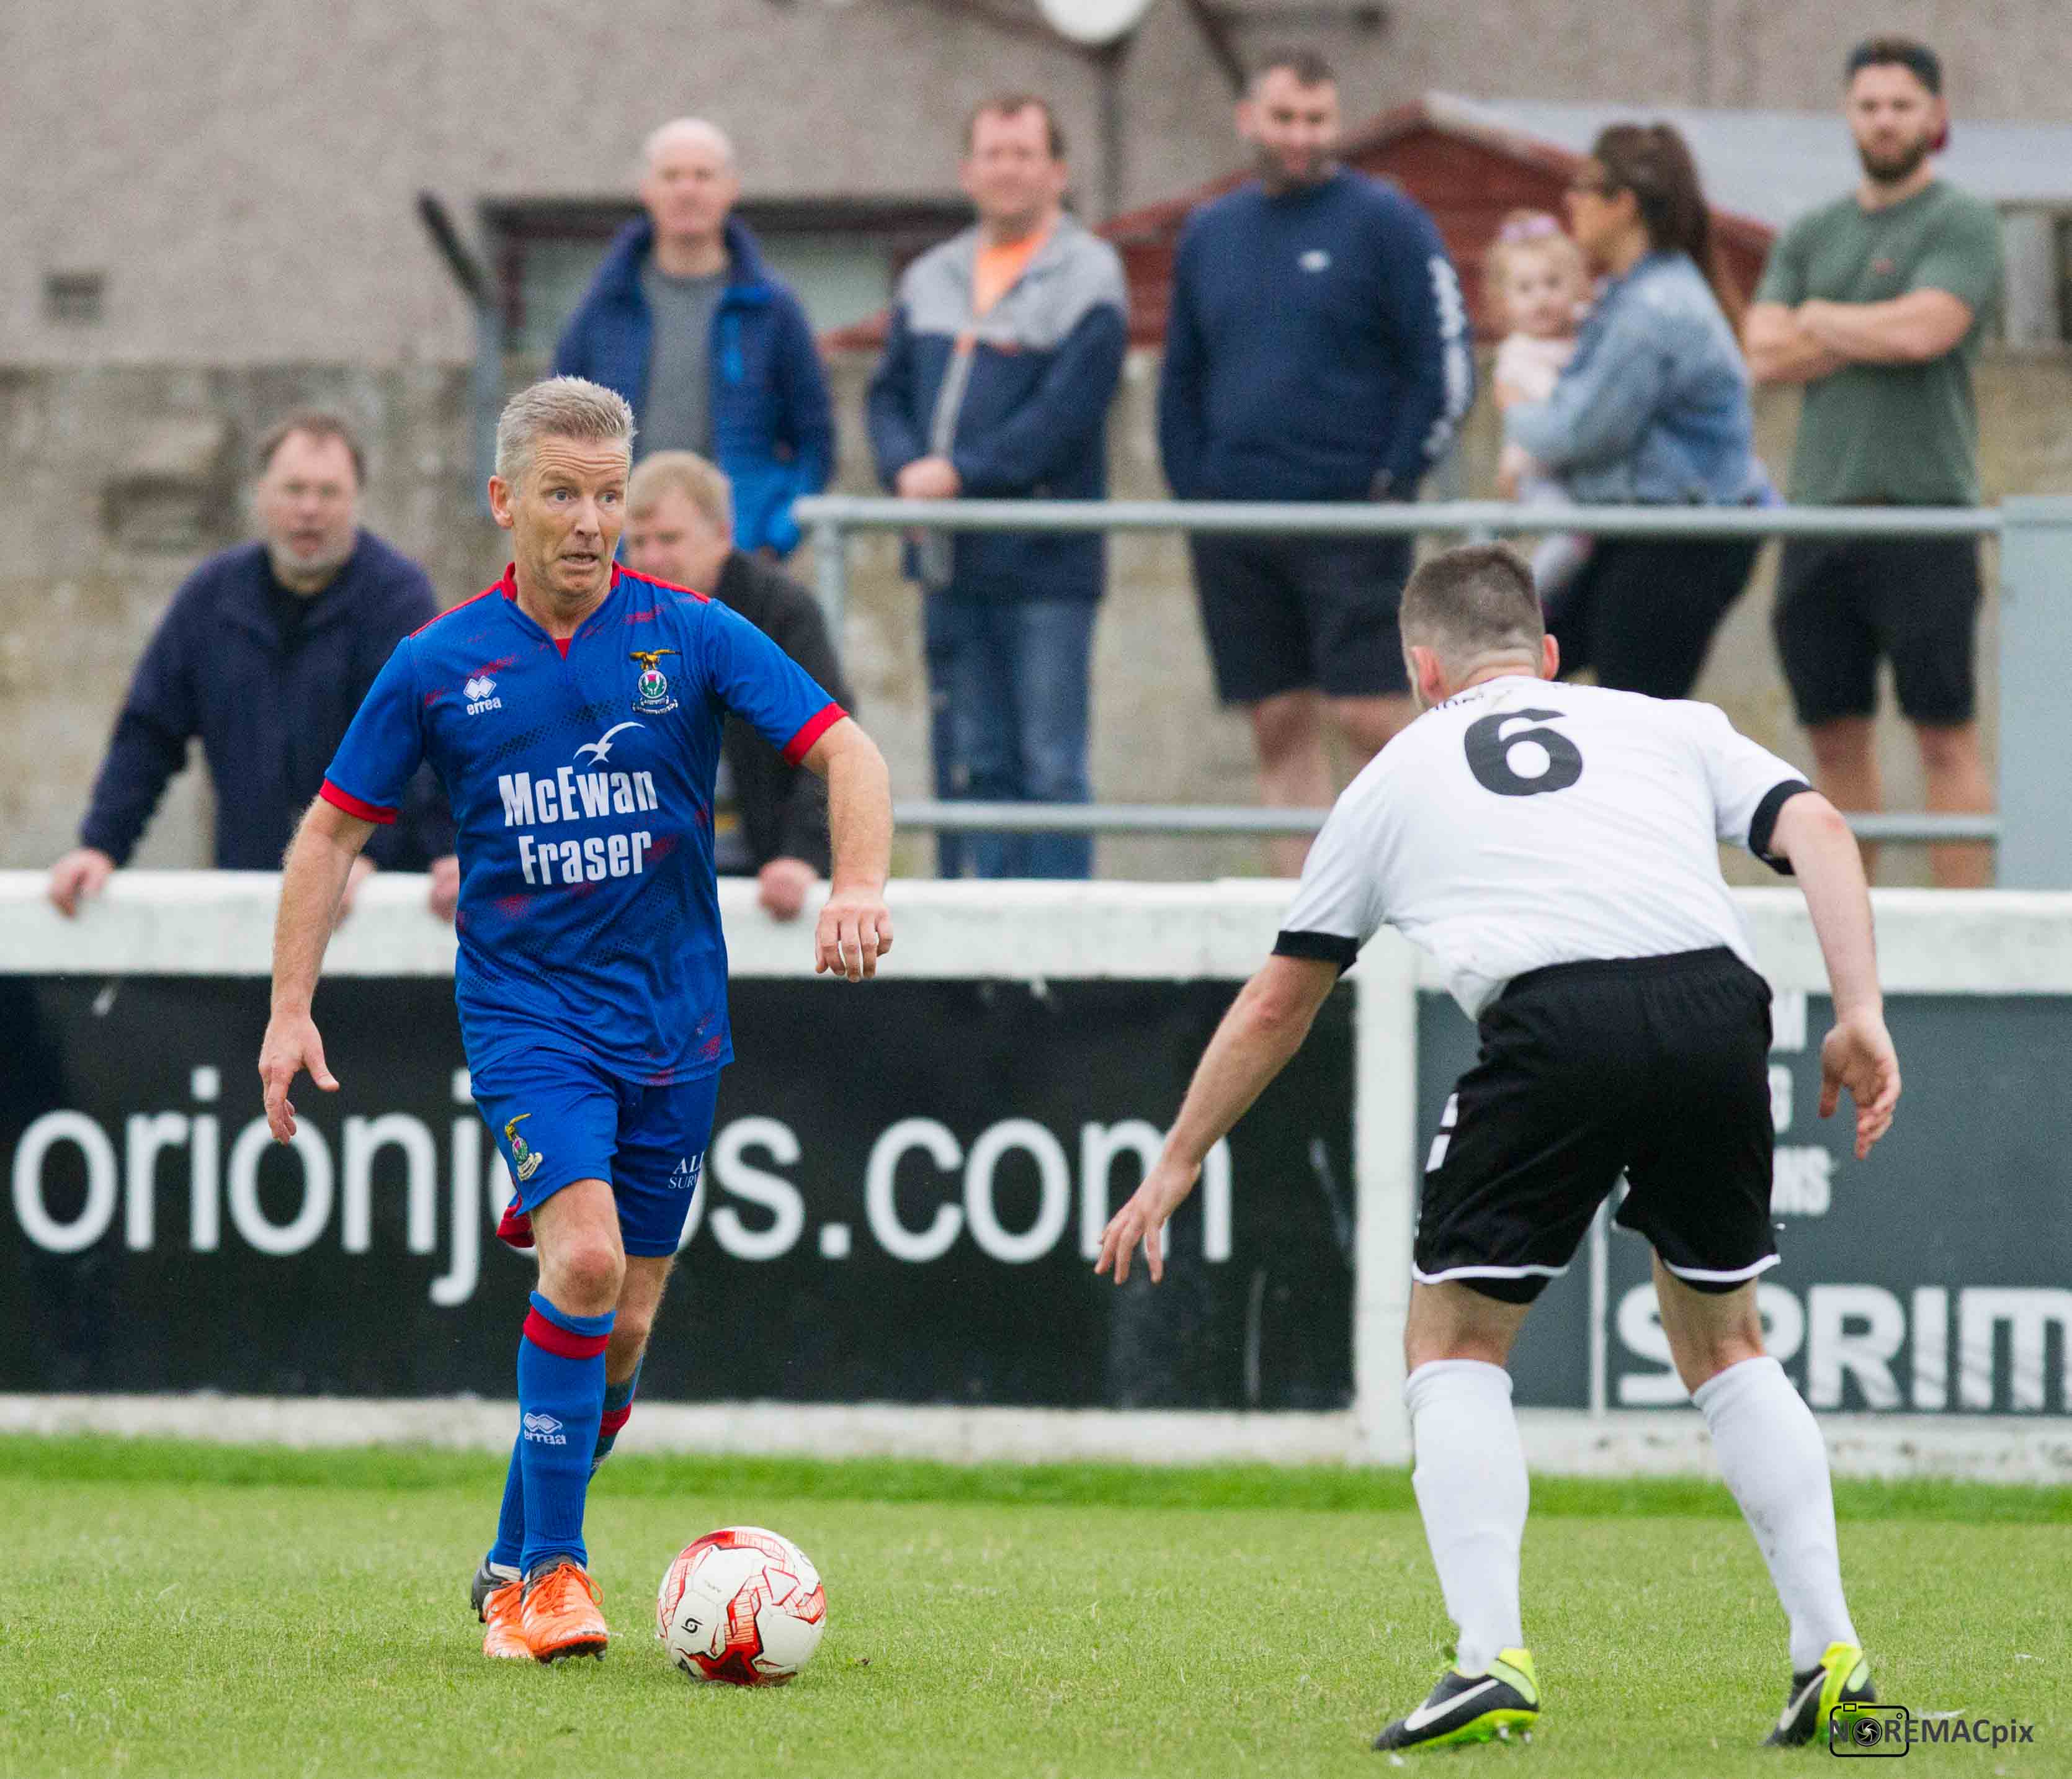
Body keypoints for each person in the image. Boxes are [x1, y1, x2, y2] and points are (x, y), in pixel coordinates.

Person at [1095, 543, 1900, 1752]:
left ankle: (1490, 1660)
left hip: (1553, 1019)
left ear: (1422, 670)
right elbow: (1821, 824)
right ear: (1549, 654)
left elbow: (1278, 1001)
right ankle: (1829, 1654)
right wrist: (1859, 1010)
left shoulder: (1393, 774)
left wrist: (1177, 1157)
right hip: (1715, 1004)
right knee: (1727, 1339)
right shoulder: (1666, 722)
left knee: (1453, 1341)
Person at [256, 378, 893, 1665]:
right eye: (563, 494)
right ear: (505, 500)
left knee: (627, 1321)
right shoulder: (438, 662)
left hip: (677, 1023)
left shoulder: (689, 634)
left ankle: (508, 1554)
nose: (592, 521)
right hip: (528, 1015)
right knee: (586, 1261)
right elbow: (329, 832)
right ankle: (549, 1573)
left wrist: (859, 883)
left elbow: (849, 750)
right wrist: (288, 1007)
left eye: (609, 495)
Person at [1158, 48, 1474, 876]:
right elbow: (1180, 373)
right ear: (1248, 120)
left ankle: (1420, 885)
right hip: (1236, 524)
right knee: (1277, 723)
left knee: (1369, 715)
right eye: (1284, 118)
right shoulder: (1210, 232)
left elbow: (1444, 366)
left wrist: (1390, 480)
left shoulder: (1386, 221)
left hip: (1350, 518)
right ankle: (1307, 916)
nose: (1300, 136)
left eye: (1316, 119)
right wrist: (1196, 492)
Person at [1745, 37, 2002, 890]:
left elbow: (1929, 329)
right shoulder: (1813, 230)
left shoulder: (1961, 220)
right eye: (1869, 105)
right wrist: (1871, 327)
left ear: (1934, 116)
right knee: (1833, 738)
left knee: (1943, 736)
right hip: (1820, 516)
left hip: (1924, 514)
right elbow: (1763, 349)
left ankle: (1965, 935)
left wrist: (1820, 317)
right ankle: (1852, 928)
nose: (1884, 121)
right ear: (1847, 114)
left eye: (1901, 105)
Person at [48, 412, 457, 921]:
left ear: (357, 501)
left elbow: (427, 741)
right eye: (294, 489)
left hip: (375, 898)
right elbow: (149, 731)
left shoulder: (398, 599)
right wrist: (101, 846)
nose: (309, 509)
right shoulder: (212, 598)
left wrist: (373, 851)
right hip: (250, 890)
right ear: (261, 494)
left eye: (329, 492)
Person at [866, 94, 1128, 881]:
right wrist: (904, 468)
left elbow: (1065, 415)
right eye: (993, 154)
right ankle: (974, 931)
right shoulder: (929, 276)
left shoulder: (1089, 274)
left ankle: (1058, 937)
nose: (1007, 170)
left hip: (1046, 561)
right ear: (966, 171)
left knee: (1049, 765)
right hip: (950, 561)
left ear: (1058, 172)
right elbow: (885, 395)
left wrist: (957, 475)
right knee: (972, 761)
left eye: (1024, 154)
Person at [1504, 123, 1769, 701]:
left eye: (1583, 188)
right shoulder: (1629, 294)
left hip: (1679, 540)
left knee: (1637, 718)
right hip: (1637, 531)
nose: (1570, 201)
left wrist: (1516, 413)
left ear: (1623, 205)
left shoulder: (1653, 309)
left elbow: (1580, 431)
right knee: (1517, 667)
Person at [555, 119, 834, 559]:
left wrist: (774, 537)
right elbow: (555, 432)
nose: (687, 190)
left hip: (735, 554)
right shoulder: (605, 306)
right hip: (619, 553)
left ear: (731, 189)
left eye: (703, 176)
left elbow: (815, 443)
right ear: (647, 189)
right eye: (672, 176)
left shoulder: (771, 309)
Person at [623, 449, 855, 920]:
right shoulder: (606, 619)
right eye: (638, 542)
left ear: (723, 536)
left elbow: (833, 745)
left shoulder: (780, 613)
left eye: (669, 539)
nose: (651, 558)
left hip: (760, 871)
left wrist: (801, 856)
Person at [1483, 210, 1594, 612]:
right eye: (1525, 288)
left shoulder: (1589, 332)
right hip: (1535, 473)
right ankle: (1521, 606)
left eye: (1553, 283)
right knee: (1571, 536)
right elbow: (1557, 415)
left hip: (1578, 470)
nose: (1541, 298)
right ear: (1504, 302)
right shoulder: (1518, 356)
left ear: (1576, 285)